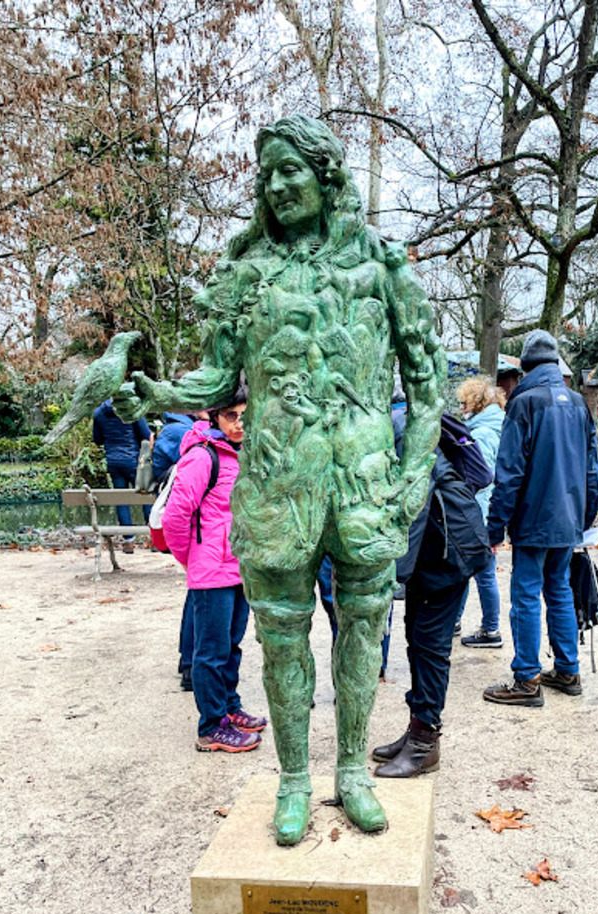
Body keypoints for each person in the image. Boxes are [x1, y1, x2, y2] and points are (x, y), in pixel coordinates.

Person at [113, 115, 444, 844]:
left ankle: (352, 770)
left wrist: (415, 474)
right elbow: (216, 377)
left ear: (327, 175)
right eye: (266, 174)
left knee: (363, 631)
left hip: (363, 486)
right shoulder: (246, 270)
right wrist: (159, 394)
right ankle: (294, 778)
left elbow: (428, 387)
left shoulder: (382, 266)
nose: (275, 185)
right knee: (282, 639)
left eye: (289, 169)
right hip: (275, 484)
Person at [484, 330, 598, 706]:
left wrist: (494, 526)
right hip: (568, 520)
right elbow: (594, 473)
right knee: (560, 590)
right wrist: (583, 518)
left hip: (533, 519)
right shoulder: (579, 404)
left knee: (525, 595)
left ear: (526, 367)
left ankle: (526, 679)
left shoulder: (523, 404)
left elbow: (509, 473)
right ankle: (568, 670)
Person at [372, 413, 491, 777]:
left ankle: (425, 743)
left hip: (449, 552)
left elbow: (415, 508)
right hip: (432, 550)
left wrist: (392, 578)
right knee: (416, 638)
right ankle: (416, 729)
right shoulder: (397, 422)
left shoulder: (400, 427)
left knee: (430, 645)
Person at [162, 385, 267, 752]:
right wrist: (191, 559)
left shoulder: (242, 454)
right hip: (211, 570)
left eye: (245, 416)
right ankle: (211, 726)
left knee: (231, 646)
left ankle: (229, 708)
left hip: (239, 567)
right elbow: (175, 516)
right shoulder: (203, 457)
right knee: (210, 652)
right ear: (215, 417)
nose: (239, 424)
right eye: (231, 416)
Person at [152, 410, 211, 691]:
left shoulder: (178, 428)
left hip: (205, 536)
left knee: (196, 598)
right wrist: (185, 555)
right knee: (200, 599)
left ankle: (188, 661)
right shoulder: (189, 434)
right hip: (201, 535)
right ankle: (190, 664)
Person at [454, 375, 506, 648]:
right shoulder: (494, 426)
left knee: (483, 573)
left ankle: (491, 629)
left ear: (477, 403)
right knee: (467, 570)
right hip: (485, 512)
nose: (461, 408)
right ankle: (456, 620)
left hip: (480, 513)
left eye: (464, 403)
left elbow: (481, 478)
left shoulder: (482, 433)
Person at [92, 398, 152, 551]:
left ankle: (128, 540)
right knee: (145, 495)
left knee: (121, 499)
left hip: (114, 462)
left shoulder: (99, 413)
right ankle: (153, 537)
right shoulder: (132, 409)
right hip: (134, 460)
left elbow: (97, 439)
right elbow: (145, 434)